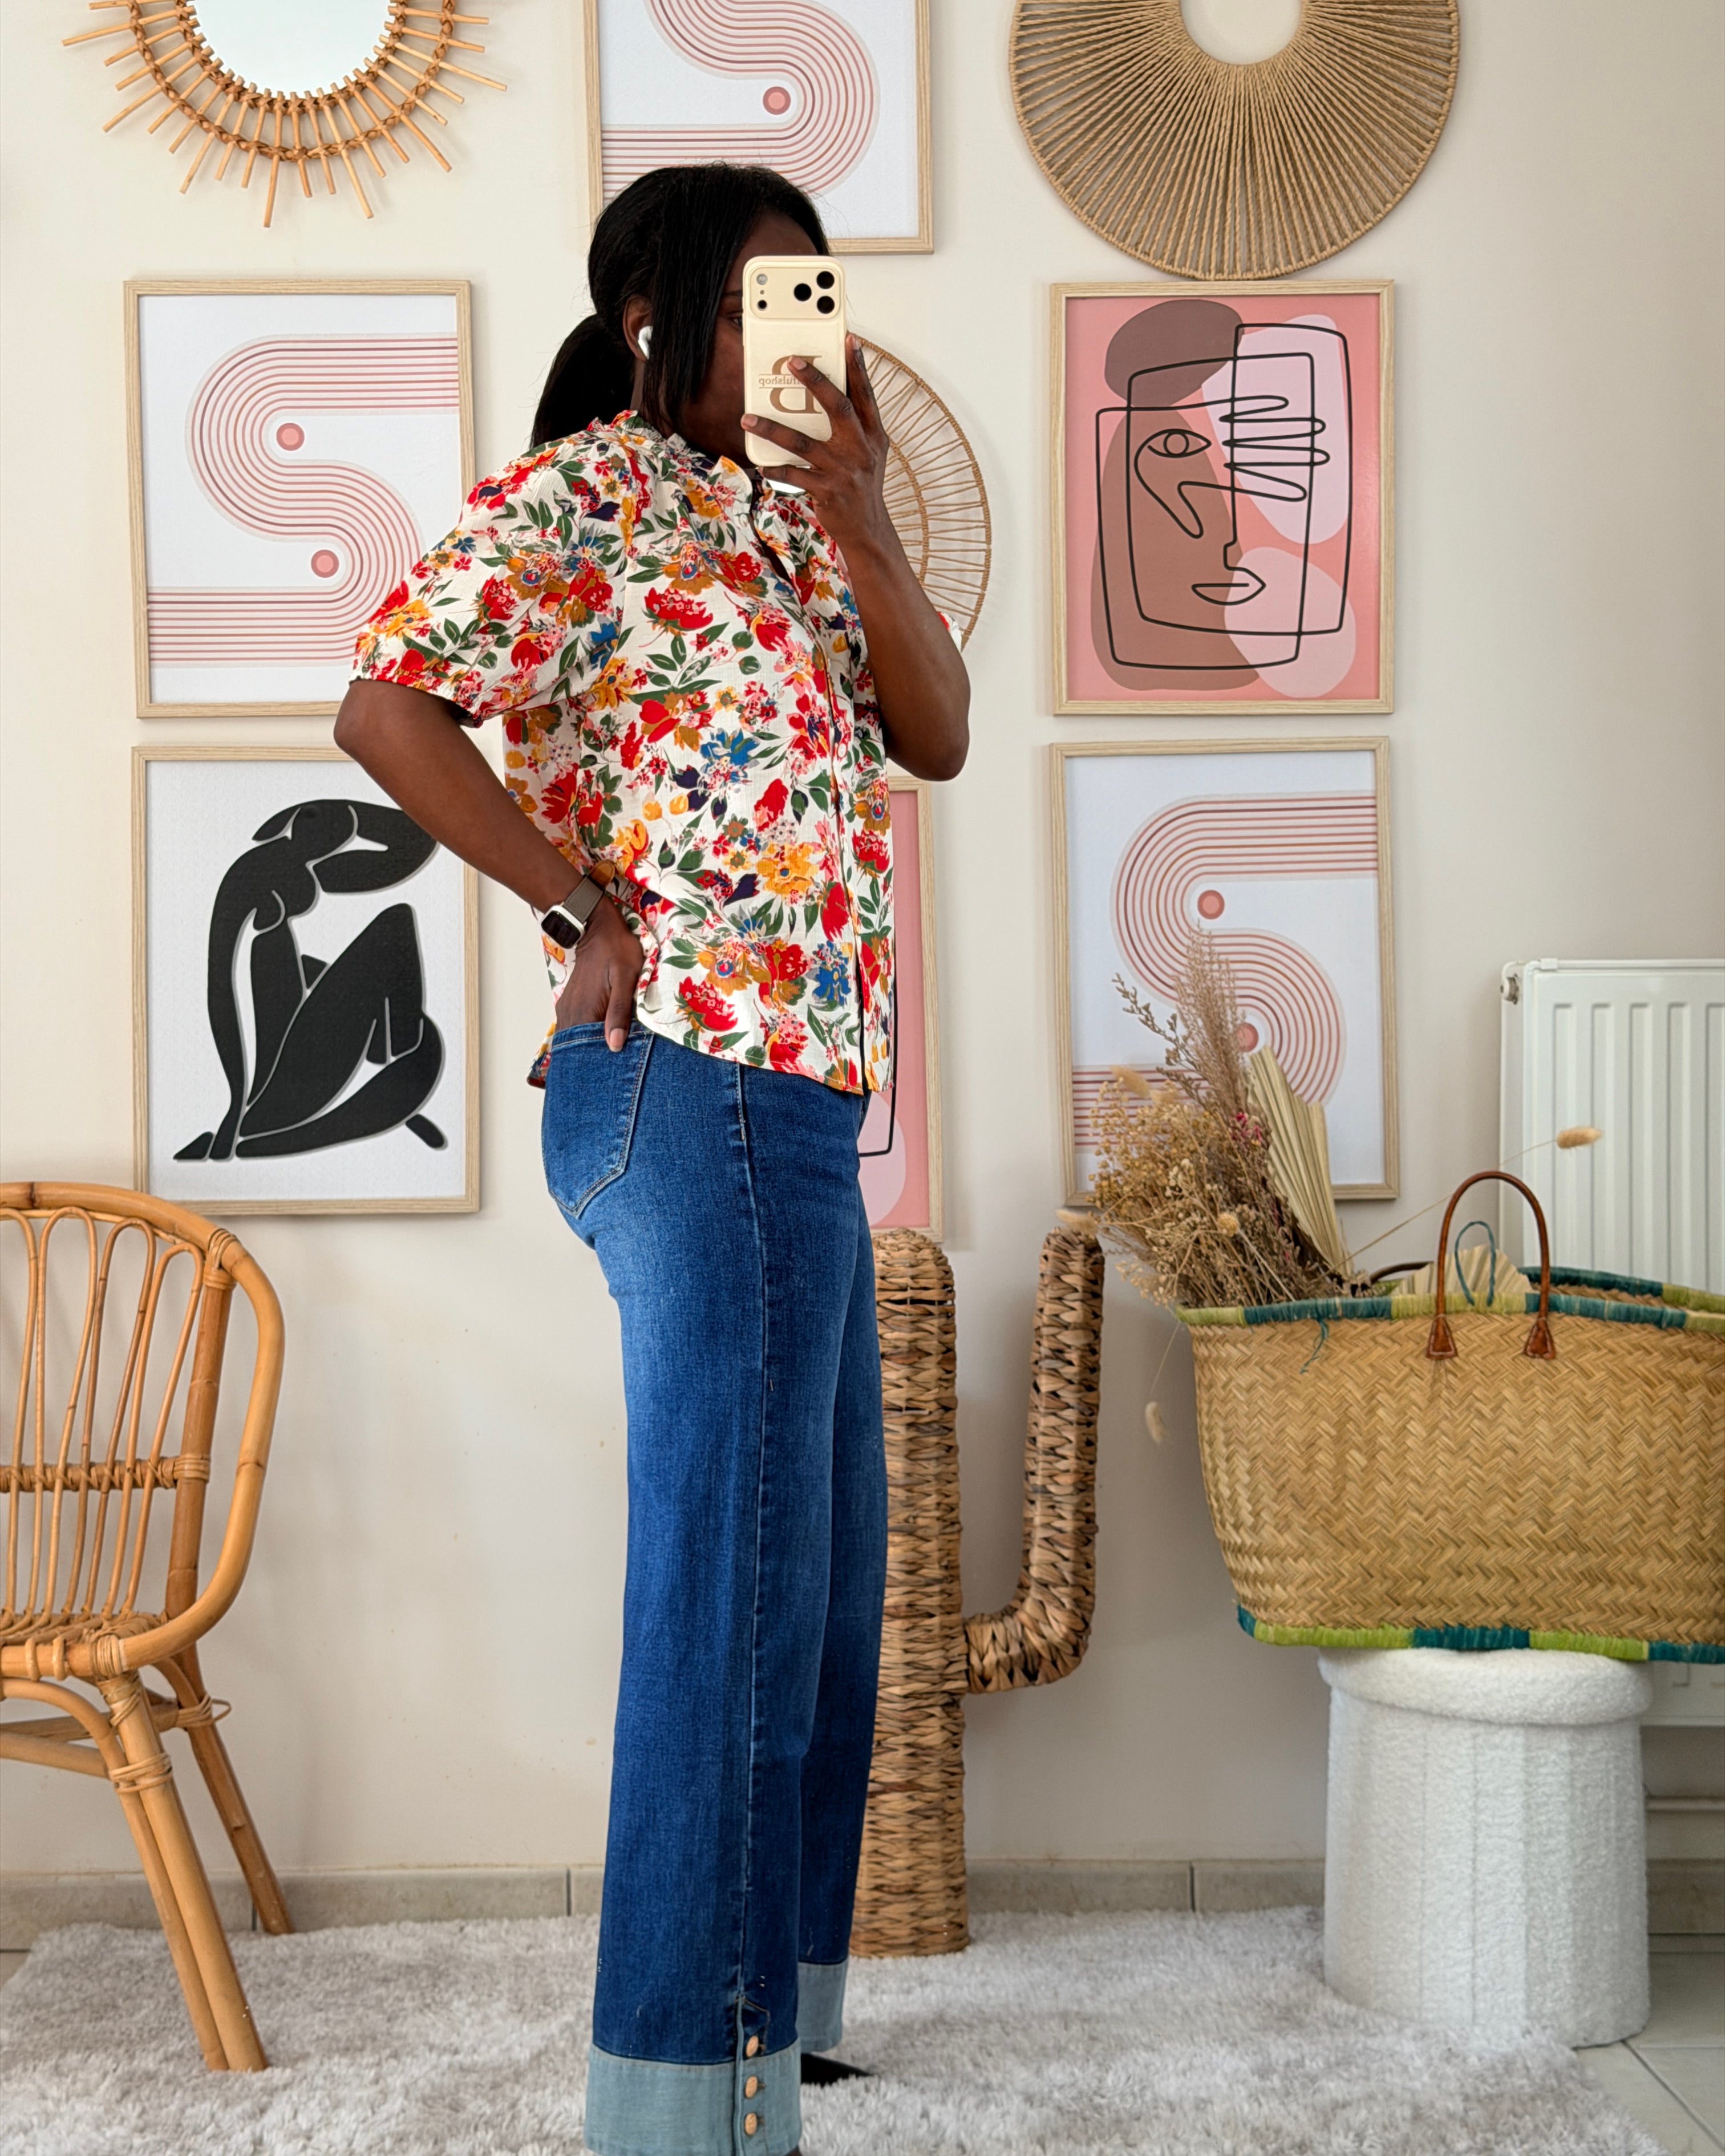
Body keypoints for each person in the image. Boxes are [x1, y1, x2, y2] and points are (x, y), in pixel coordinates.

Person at [335, 163, 969, 2156]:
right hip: (690, 1085)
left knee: (824, 1589)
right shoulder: (590, 495)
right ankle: (688, 2092)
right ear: (652, 316)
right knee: (735, 1592)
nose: (801, 330)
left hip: (800, 1108)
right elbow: (385, 707)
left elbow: (939, 732)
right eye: (765, 295)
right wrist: (575, 903)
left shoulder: (792, 527)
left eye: (817, 294)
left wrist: (864, 511)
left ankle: (779, 2020)